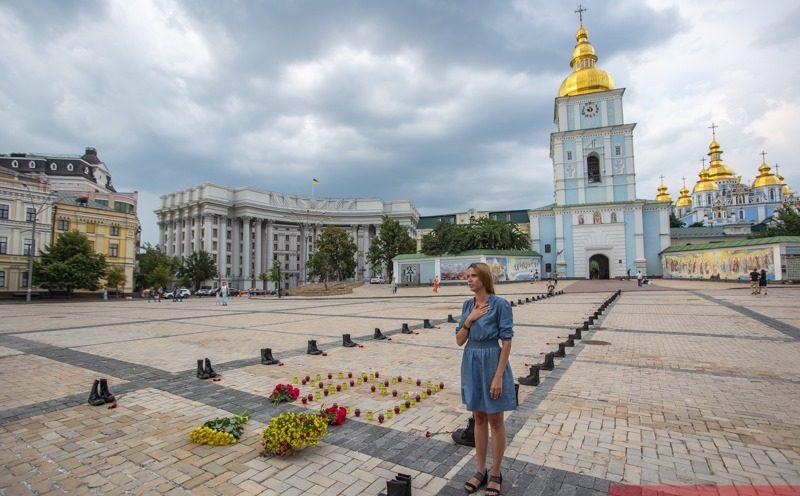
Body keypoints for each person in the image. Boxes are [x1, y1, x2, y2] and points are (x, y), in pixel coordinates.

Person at [456, 262, 515, 496]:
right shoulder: (467, 305)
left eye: (473, 276)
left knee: (496, 420)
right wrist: (469, 319)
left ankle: (496, 472)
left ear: (484, 278)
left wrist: (498, 375)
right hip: (471, 359)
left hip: (492, 360)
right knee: (478, 417)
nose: (468, 279)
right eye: (467, 276)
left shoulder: (500, 304)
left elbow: (507, 341)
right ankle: (480, 469)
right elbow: (460, 340)